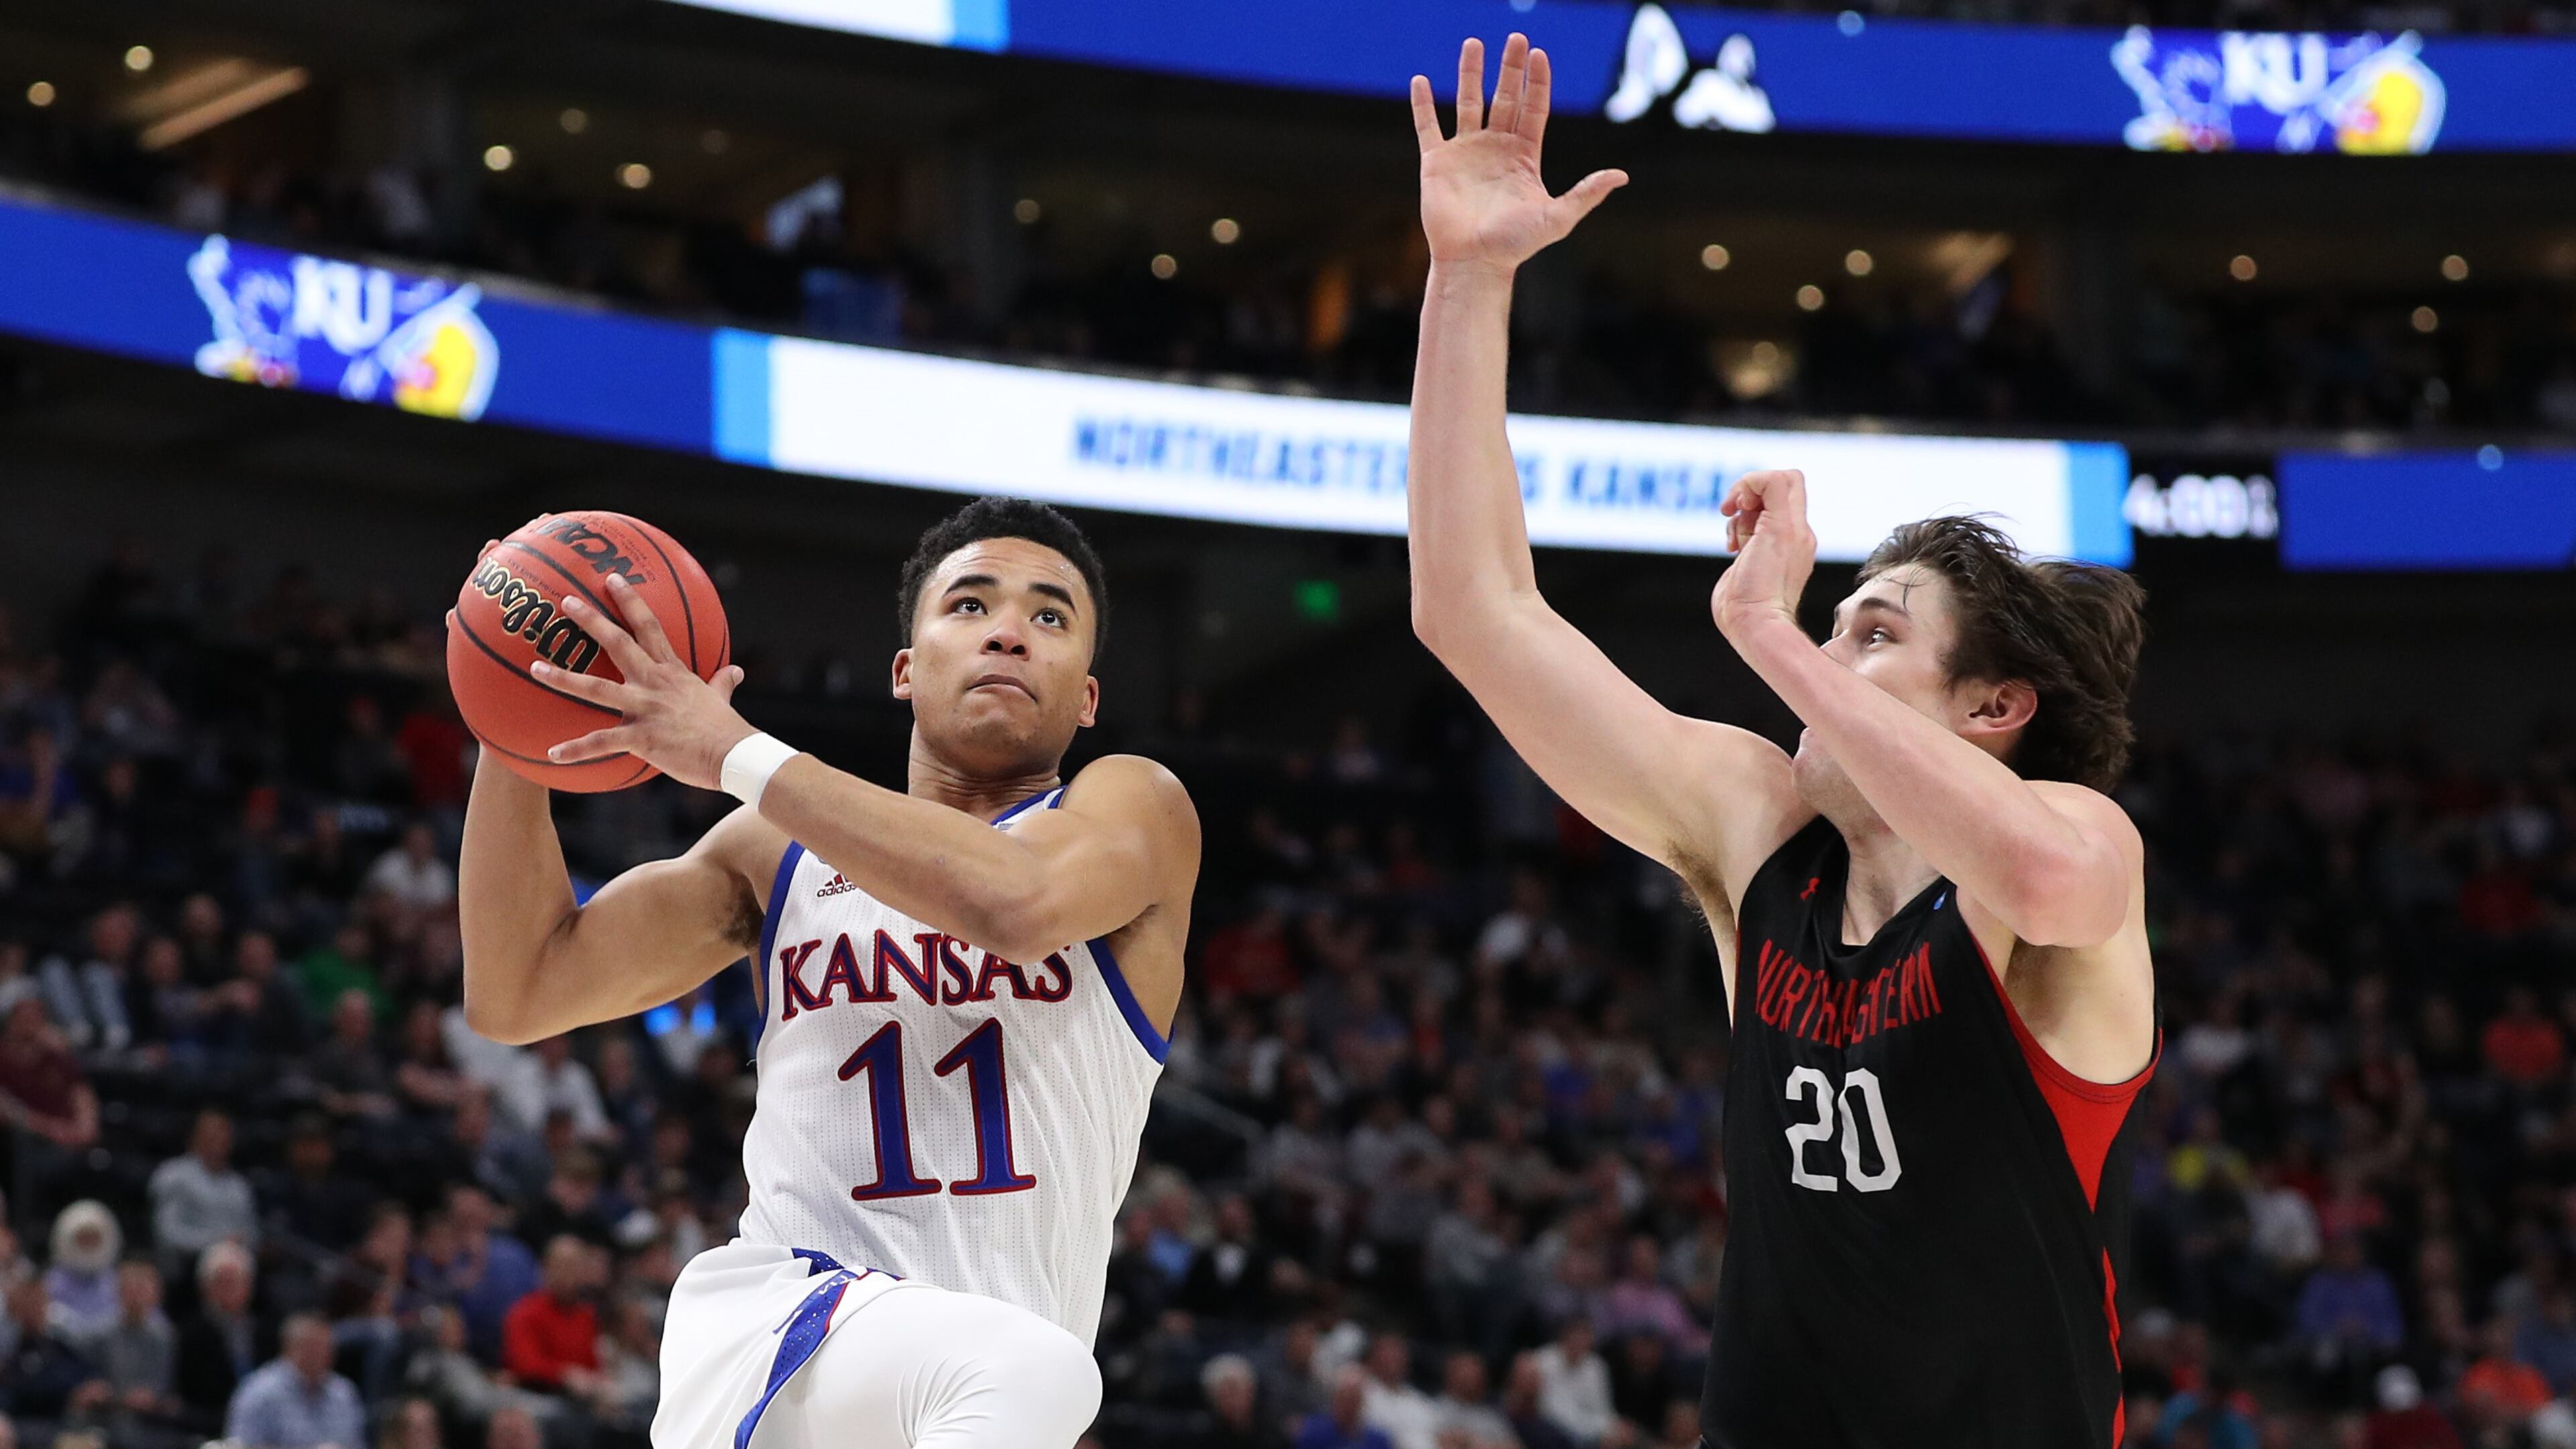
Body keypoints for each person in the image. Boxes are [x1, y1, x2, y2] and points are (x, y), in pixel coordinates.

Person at [1405, 34, 2157, 1449]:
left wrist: (1777, 638)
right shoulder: (1759, 833)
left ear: (1996, 712)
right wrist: (1470, 276)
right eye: (1835, 626)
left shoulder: (2070, 852)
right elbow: (1474, 612)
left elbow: (2048, 886)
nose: (1826, 661)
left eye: (1876, 634)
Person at [455, 500, 1199, 1449]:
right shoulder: (777, 852)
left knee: (1037, 1371)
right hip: (778, 1325)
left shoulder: (1138, 810)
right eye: (970, 606)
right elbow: (522, 988)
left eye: (1051, 617)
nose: (1010, 631)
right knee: (1038, 1370)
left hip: (965, 1402)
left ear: (1087, 698)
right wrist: (513, 709)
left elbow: (1020, 906)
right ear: (906, 669)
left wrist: (736, 751)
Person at [221, 1313, 366, 1449]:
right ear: (289, 1348)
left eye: (328, 1347)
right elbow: (240, 1446)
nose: (323, 1354)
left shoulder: (343, 1391)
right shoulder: (259, 1392)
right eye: (314, 1347)